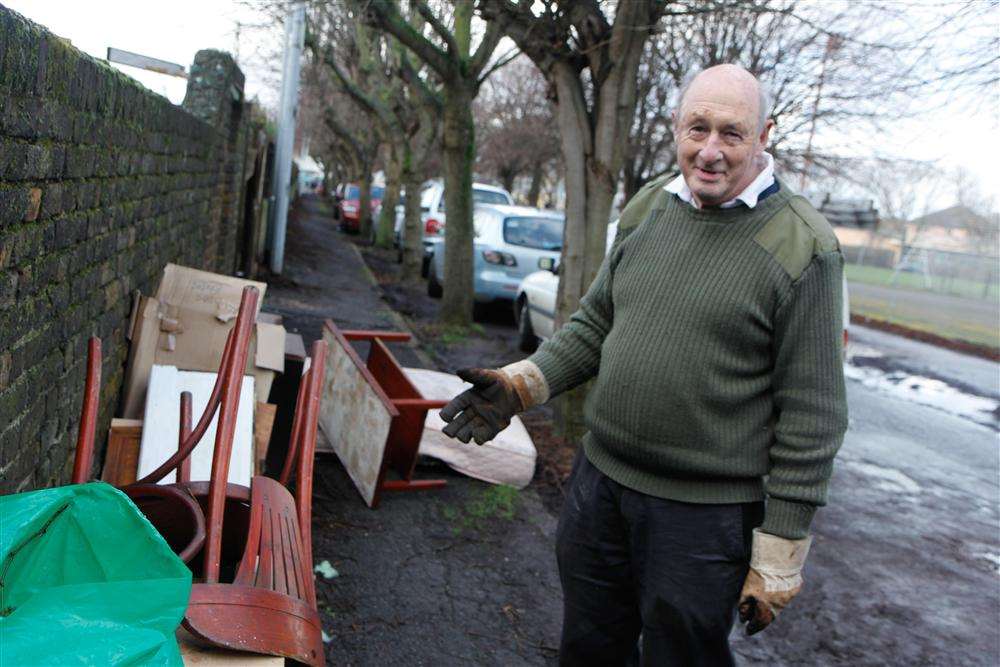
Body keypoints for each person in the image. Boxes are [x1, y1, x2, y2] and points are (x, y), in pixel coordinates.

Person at [440, 64, 848, 665]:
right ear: (677, 128)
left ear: (766, 135)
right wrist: (519, 386)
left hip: (703, 519)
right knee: (589, 645)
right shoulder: (650, 206)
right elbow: (595, 323)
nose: (709, 151)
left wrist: (782, 549)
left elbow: (813, 417)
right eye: (696, 128)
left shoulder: (804, 249)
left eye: (731, 134)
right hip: (599, 487)